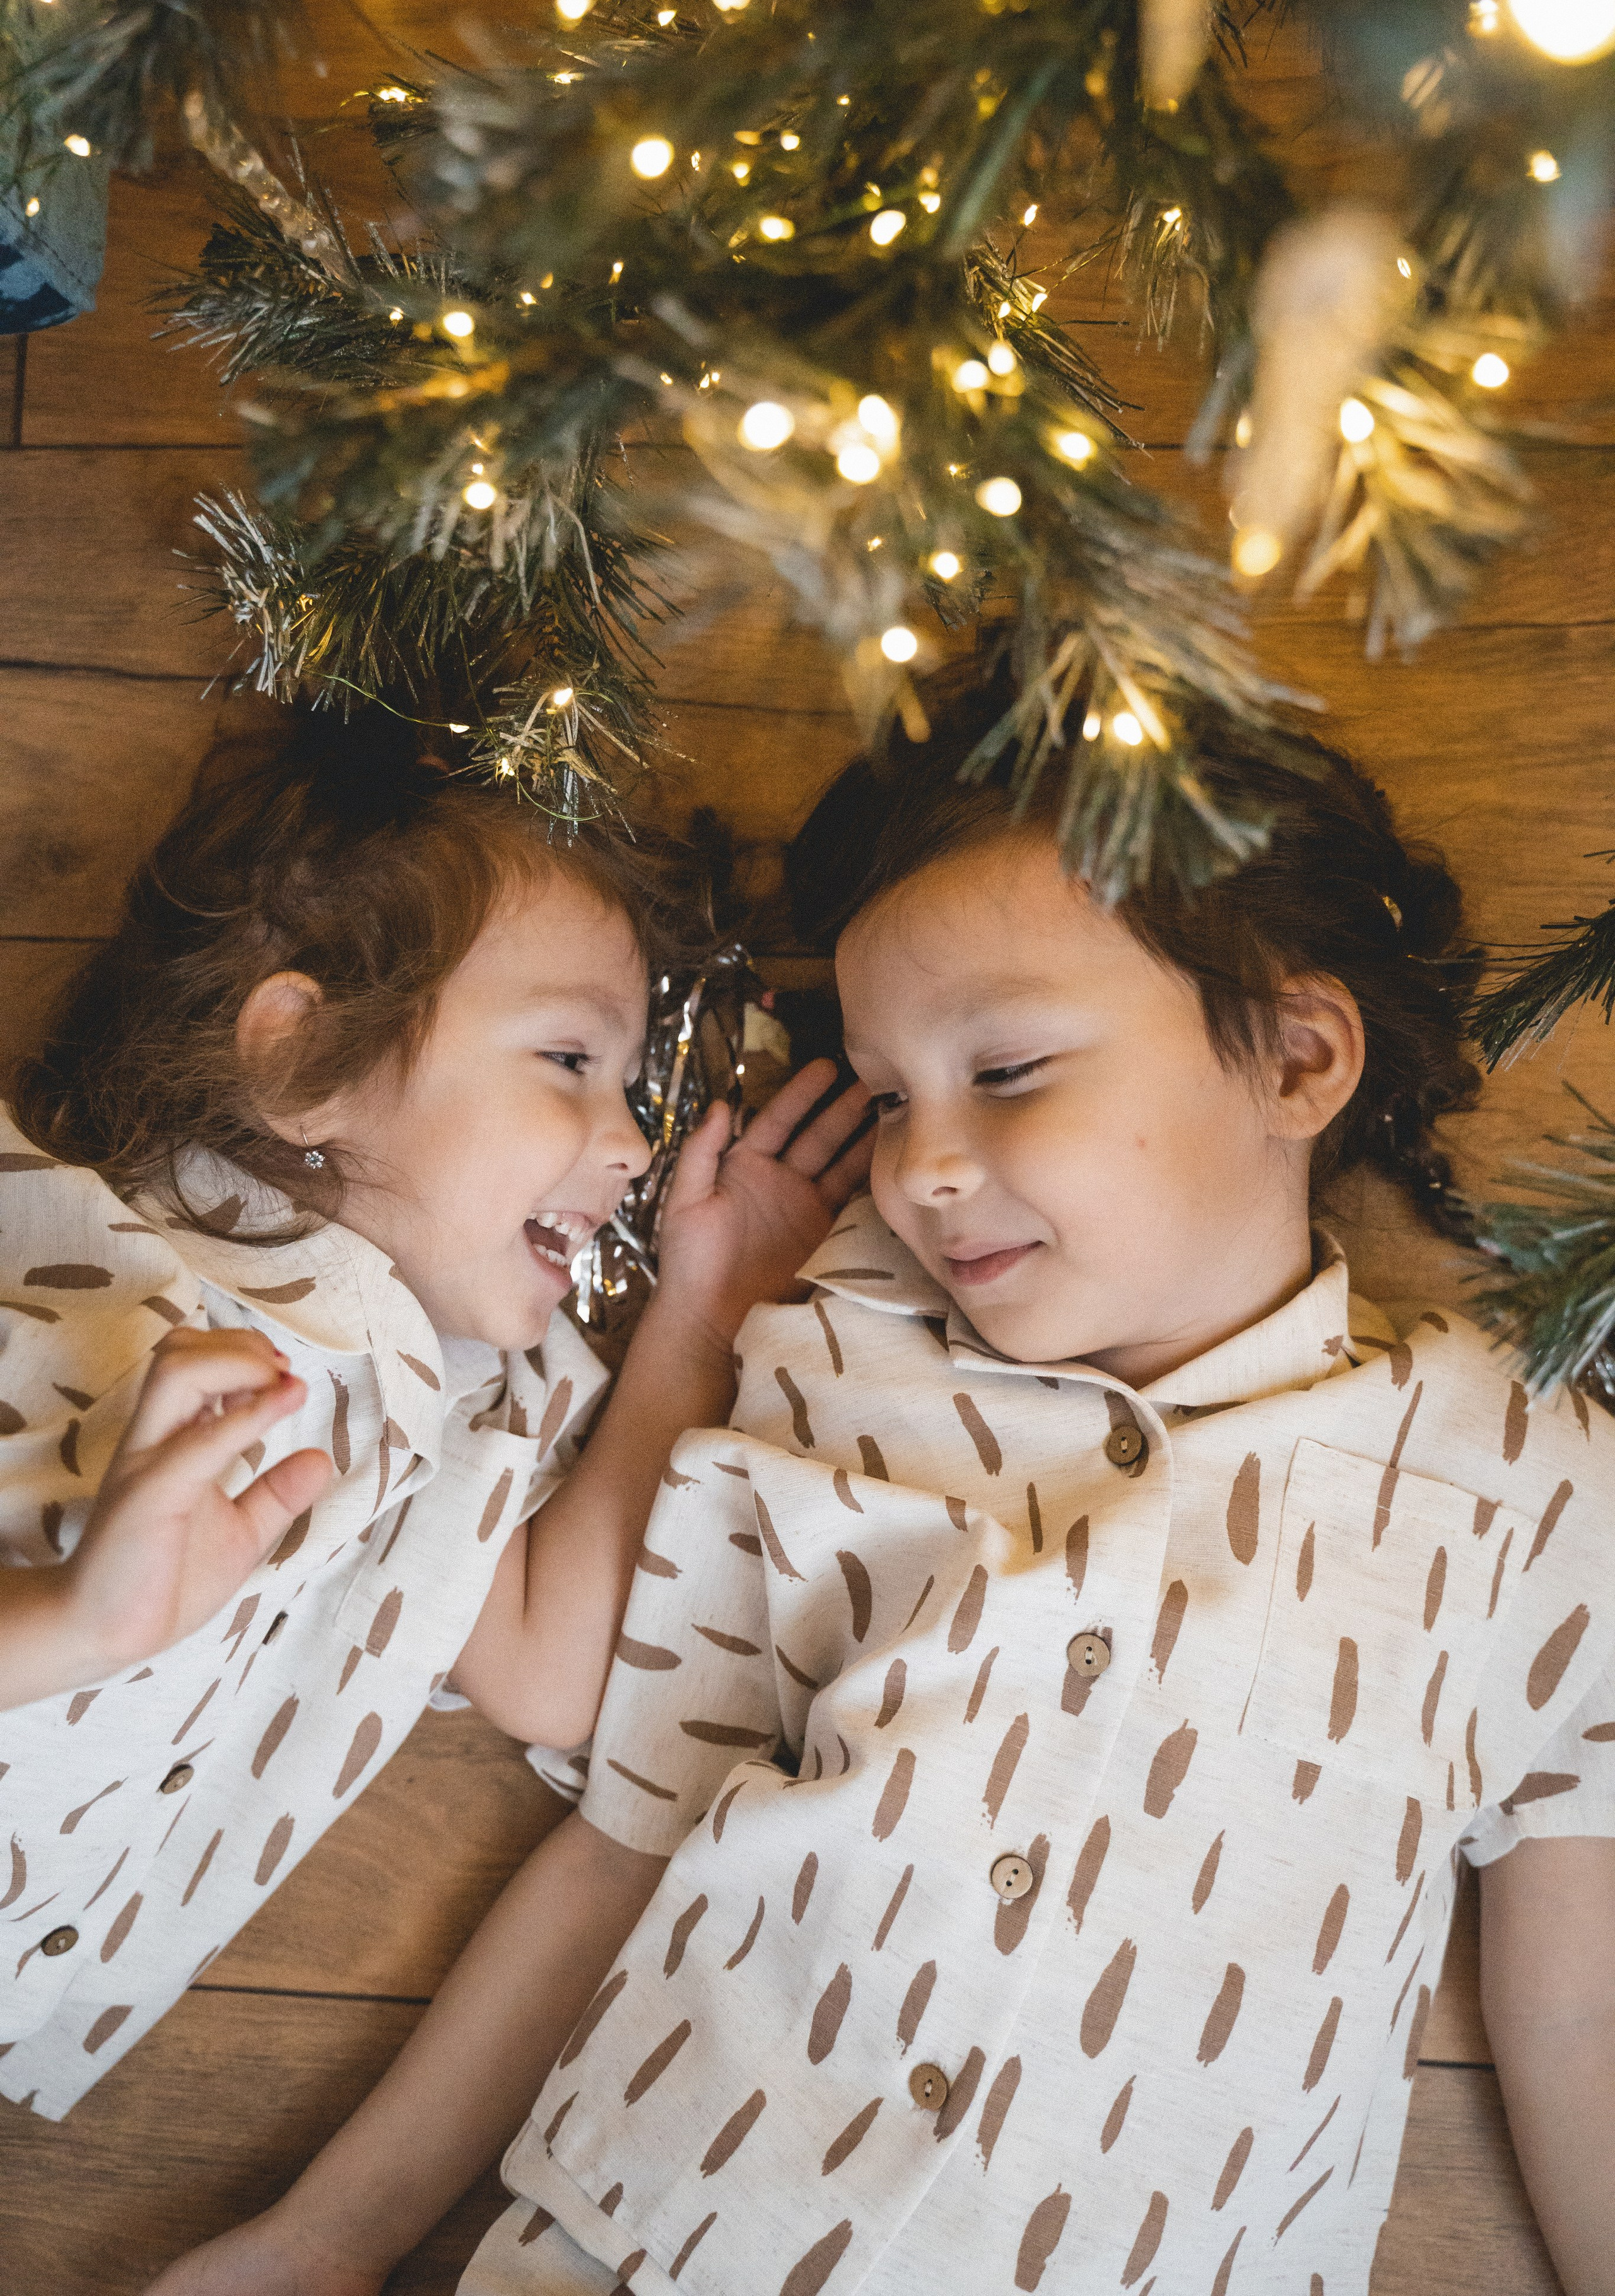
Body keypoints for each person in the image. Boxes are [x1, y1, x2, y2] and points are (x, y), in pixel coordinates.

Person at [148, 684, 1615, 2296]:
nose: (918, 1166)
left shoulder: (1523, 1471)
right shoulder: (830, 1372)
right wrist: (332, 2233)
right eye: (891, 1095)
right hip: (658, 2241)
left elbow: (1574, 1998)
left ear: (1293, 1053)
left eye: (1007, 1070)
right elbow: (622, 1850)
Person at [0, 706, 869, 2122]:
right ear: (304, 1065)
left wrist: (696, 1324)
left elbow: (547, 1674)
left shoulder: (465, 1404)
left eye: (635, 1081)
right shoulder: (69, 1260)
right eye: (570, 1061)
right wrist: (78, 1623)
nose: (633, 1138)